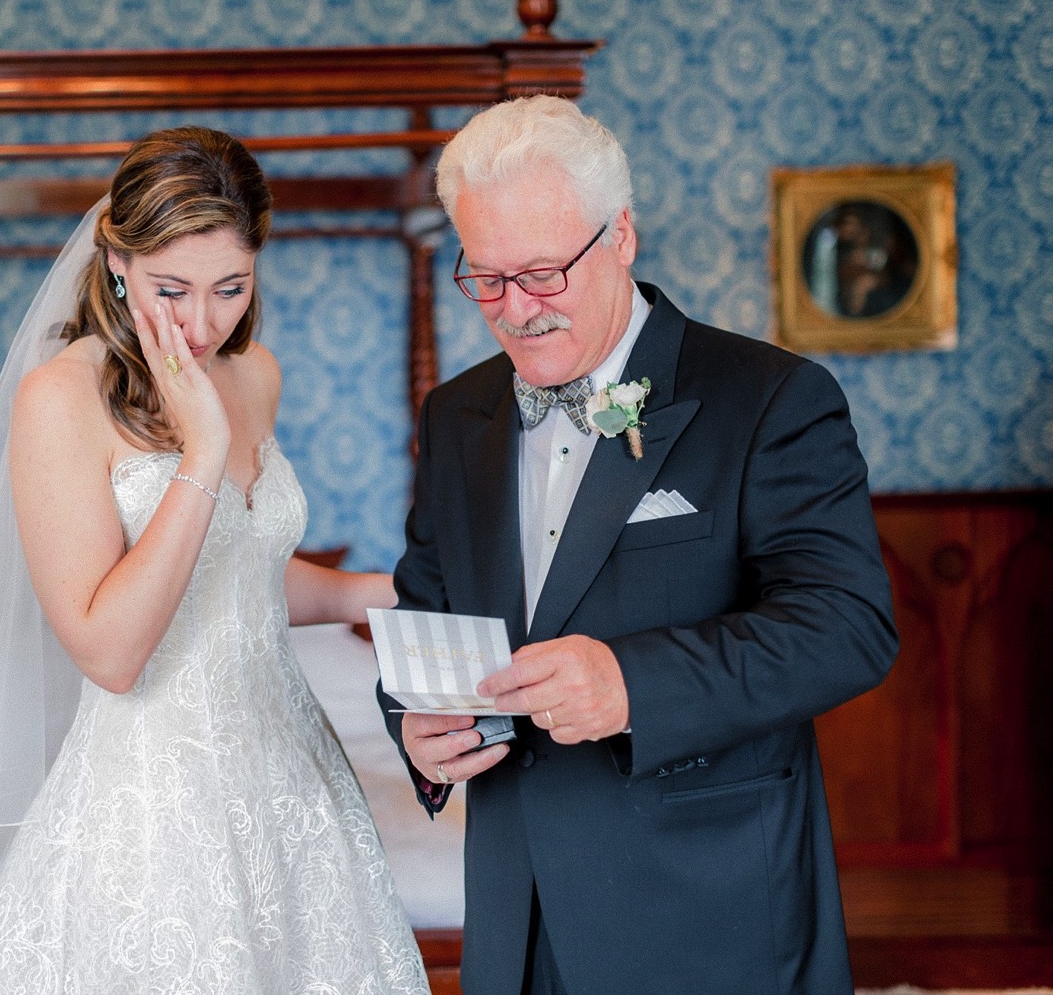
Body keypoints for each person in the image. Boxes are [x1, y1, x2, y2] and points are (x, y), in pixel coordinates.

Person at [0, 127, 429, 994]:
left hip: (296, 784)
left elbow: (237, 577)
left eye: (230, 288)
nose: (202, 324)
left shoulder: (256, 374)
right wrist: (201, 455)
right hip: (153, 809)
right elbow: (111, 651)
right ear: (117, 260)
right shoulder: (61, 397)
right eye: (173, 289)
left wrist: (386, 591)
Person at [378, 95, 899, 995]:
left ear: (620, 236)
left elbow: (847, 627)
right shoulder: (455, 415)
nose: (514, 311)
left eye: (542, 274)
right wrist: (414, 729)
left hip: (706, 908)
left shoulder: (771, 397)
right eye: (486, 279)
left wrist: (632, 684)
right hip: (514, 908)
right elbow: (427, 610)